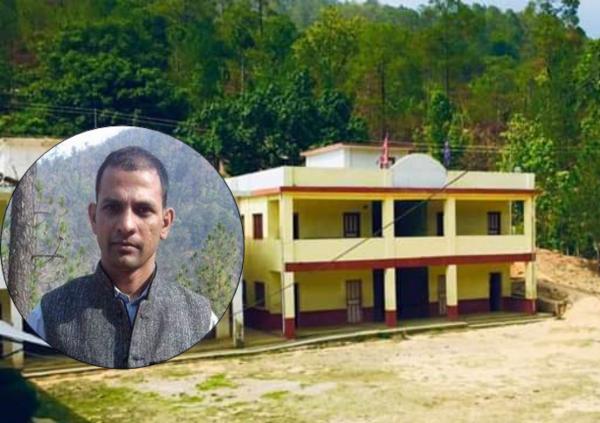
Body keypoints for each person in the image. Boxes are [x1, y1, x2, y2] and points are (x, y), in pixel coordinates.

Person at [28, 146, 217, 368]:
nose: (126, 225)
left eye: (143, 210)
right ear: (93, 218)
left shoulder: (201, 319)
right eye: (113, 208)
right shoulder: (46, 318)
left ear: (165, 223)